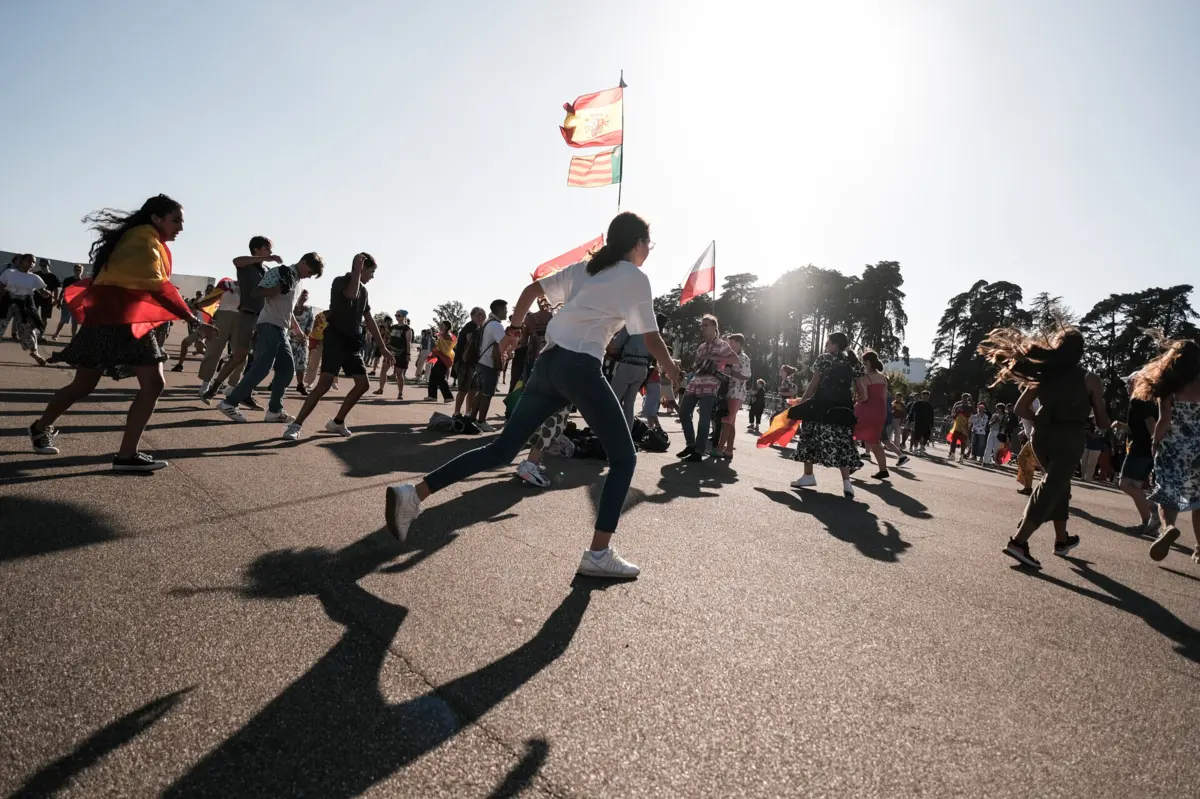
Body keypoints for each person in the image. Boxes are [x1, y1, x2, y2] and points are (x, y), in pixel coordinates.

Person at [384, 211, 681, 579]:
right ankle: (598, 553)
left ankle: (414, 494)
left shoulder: (585, 269)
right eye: (648, 244)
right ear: (637, 244)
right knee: (624, 459)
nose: (649, 251)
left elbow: (529, 291)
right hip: (580, 368)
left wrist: (514, 330)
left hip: (548, 364)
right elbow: (650, 338)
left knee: (502, 449)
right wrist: (672, 374)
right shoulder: (635, 277)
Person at [30, 194, 210, 470]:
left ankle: (126, 456)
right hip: (110, 319)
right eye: (176, 221)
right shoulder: (142, 239)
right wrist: (191, 318)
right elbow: (156, 286)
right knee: (84, 386)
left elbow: (153, 285)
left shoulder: (147, 239)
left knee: (152, 384)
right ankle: (41, 427)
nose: (181, 228)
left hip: (122, 321)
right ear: (156, 218)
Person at [981, 327, 1109, 569]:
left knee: (1059, 483)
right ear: (1081, 353)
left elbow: (1020, 409)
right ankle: (1019, 541)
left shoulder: (1045, 375)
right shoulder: (1090, 379)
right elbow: (1102, 422)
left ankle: (1062, 539)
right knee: (1052, 485)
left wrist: (1041, 420)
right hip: (1070, 436)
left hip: (1041, 436)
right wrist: (1101, 417)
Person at [284, 253, 385, 439]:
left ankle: (337, 422)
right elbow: (351, 294)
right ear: (361, 268)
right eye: (371, 272)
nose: (372, 277)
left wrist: (383, 348)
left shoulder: (364, 291)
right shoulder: (340, 281)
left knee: (363, 384)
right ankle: (295, 425)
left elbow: (369, 319)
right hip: (335, 337)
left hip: (352, 342)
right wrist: (356, 270)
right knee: (325, 384)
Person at [216, 254, 323, 423]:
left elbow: (288, 308)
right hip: (268, 325)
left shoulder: (299, 281)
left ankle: (274, 410)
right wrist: (275, 289)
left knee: (287, 369)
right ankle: (229, 402)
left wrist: (296, 329)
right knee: (262, 368)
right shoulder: (279, 272)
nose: (309, 276)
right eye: (310, 271)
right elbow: (256, 292)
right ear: (303, 262)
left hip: (282, 329)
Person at [1132, 339, 1200, 565]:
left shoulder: (1169, 387)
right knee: (1198, 500)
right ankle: (1199, 548)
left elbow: (1164, 420)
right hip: (1198, 450)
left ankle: (1168, 528)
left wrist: (1155, 441)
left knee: (1167, 494)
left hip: (1173, 449)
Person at [201, 236, 282, 408]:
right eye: (267, 249)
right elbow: (236, 260)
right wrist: (266, 258)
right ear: (256, 250)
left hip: (263, 318)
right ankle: (214, 388)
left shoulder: (265, 270)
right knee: (240, 354)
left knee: (258, 359)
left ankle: (245, 392)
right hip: (247, 315)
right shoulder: (246, 265)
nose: (270, 253)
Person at [789, 332, 865, 498]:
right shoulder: (854, 362)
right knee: (842, 442)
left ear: (835, 344)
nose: (825, 345)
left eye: (828, 342)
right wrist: (851, 400)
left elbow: (814, 384)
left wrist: (802, 401)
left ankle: (808, 476)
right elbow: (863, 394)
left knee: (810, 436)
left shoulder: (823, 359)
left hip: (821, 405)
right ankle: (847, 483)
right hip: (843, 408)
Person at [677, 315, 737, 462]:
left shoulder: (722, 345)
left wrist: (716, 359)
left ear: (714, 327)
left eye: (706, 325)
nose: (703, 328)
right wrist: (699, 364)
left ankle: (698, 451)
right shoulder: (702, 347)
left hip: (710, 384)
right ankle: (691, 444)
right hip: (695, 382)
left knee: (704, 419)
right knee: (683, 412)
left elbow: (735, 359)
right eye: (702, 325)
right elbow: (697, 364)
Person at [1119, 373, 1160, 533]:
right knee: (1135, 486)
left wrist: (1155, 443)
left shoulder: (1138, 401)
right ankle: (1147, 523)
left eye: (1129, 383)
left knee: (1124, 484)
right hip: (1147, 448)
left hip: (1141, 448)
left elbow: (1151, 424)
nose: (1127, 387)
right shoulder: (1148, 401)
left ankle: (1153, 509)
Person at [853, 350, 899, 480]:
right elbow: (884, 397)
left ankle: (855, 462)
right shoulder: (883, 378)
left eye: (863, 362)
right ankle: (883, 470)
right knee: (875, 441)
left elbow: (865, 397)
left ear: (867, 362)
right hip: (880, 411)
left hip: (866, 410)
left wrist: (857, 400)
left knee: (850, 433)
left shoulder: (866, 378)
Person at [467, 299, 511, 432]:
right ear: (499, 310)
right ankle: (482, 421)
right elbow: (503, 344)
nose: (506, 312)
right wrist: (512, 349)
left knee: (481, 393)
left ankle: (473, 419)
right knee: (487, 394)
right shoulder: (497, 325)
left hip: (481, 362)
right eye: (505, 309)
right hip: (489, 364)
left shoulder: (488, 323)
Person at [0, 253, 51, 366]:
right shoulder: (9, 273)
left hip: (25, 304)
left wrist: (46, 293)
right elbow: (1, 288)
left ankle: (35, 353)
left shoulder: (34, 277)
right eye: (29, 260)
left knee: (28, 329)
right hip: (8, 302)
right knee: (1, 324)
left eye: (33, 262)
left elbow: (43, 292)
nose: (31, 263)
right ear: (21, 261)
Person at [195, 278, 241, 394]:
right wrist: (197, 306)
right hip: (222, 318)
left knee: (241, 355)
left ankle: (232, 386)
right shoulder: (226, 284)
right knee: (214, 351)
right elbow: (210, 301)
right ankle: (206, 383)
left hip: (241, 320)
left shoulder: (252, 288)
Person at [607, 319, 655, 429]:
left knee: (613, 400)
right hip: (643, 367)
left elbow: (615, 345)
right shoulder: (650, 326)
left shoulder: (631, 324)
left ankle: (608, 431)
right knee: (629, 403)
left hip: (628, 365)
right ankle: (627, 433)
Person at [716, 333, 752, 459]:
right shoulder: (729, 356)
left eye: (732, 342)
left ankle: (720, 449)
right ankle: (729, 450)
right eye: (729, 342)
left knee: (726, 421)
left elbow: (747, 376)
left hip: (736, 393)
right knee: (731, 422)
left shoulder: (744, 358)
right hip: (727, 391)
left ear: (739, 344)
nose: (730, 345)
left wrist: (732, 373)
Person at [452, 307, 486, 416]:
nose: (482, 317)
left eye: (483, 315)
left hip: (473, 363)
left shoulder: (479, 328)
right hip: (465, 363)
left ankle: (468, 412)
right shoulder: (470, 327)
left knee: (472, 390)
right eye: (479, 314)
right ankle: (457, 412)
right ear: (472, 316)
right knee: (463, 389)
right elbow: (469, 346)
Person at [376, 311, 413, 398]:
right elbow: (388, 338)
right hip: (390, 352)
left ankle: (400, 393)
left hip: (401, 354)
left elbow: (408, 342)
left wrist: (408, 354)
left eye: (399, 315)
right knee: (383, 370)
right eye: (396, 315)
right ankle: (380, 389)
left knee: (399, 374)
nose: (397, 317)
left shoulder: (407, 329)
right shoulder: (393, 327)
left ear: (404, 317)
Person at [290, 289, 316, 395]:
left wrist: (305, 336)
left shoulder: (309, 310)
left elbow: (310, 324)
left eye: (306, 296)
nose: (304, 298)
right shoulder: (290, 307)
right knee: (284, 361)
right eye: (302, 295)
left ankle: (300, 385)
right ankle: (275, 382)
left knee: (301, 364)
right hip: (288, 338)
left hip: (302, 340)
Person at [50, 263, 86, 339]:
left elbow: (84, 294)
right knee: (63, 319)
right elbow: (63, 291)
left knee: (75, 322)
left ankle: (73, 337)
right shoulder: (68, 280)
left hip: (77, 304)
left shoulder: (83, 282)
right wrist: (59, 301)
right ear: (74, 270)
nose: (78, 271)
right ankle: (56, 334)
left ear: (82, 271)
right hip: (67, 302)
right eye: (77, 270)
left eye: (80, 270)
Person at [425, 320, 457, 403]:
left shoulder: (447, 335)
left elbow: (447, 343)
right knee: (434, 376)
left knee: (439, 377)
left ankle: (448, 396)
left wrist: (439, 335)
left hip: (444, 358)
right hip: (441, 357)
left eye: (442, 325)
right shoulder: (443, 335)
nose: (440, 326)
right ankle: (432, 396)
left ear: (446, 327)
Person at [304, 310, 327, 388]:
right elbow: (314, 328)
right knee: (314, 361)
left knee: (331, 362)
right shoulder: (320, 316)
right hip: (318, 340)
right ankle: (310, 381)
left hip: (331, 342)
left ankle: (333, 381)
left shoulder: (338, 317)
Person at [947, 394, 973, 463]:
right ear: (961, 398)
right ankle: (952, 455)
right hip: (957, 425)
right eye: (964, 398)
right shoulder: (958, 406)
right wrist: (956, 414)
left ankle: (961, 457)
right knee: (953, 440)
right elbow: (953, 416)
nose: (965, 399)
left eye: (966, 398)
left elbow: (973, 414)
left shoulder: (970, 407)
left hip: (965, 426)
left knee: (963, 442)